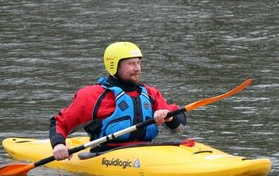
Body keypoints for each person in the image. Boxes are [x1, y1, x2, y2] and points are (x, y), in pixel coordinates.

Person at [50, 41, 186, 160]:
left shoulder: (150, 93)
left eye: (138, 62)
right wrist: (59, 144)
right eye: (131, 64)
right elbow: (59, 122)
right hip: (105, 155)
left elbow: (178, 125)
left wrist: (169, 118)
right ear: (114, 66)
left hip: (146, 152)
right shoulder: (93, 95)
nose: (137, 68)